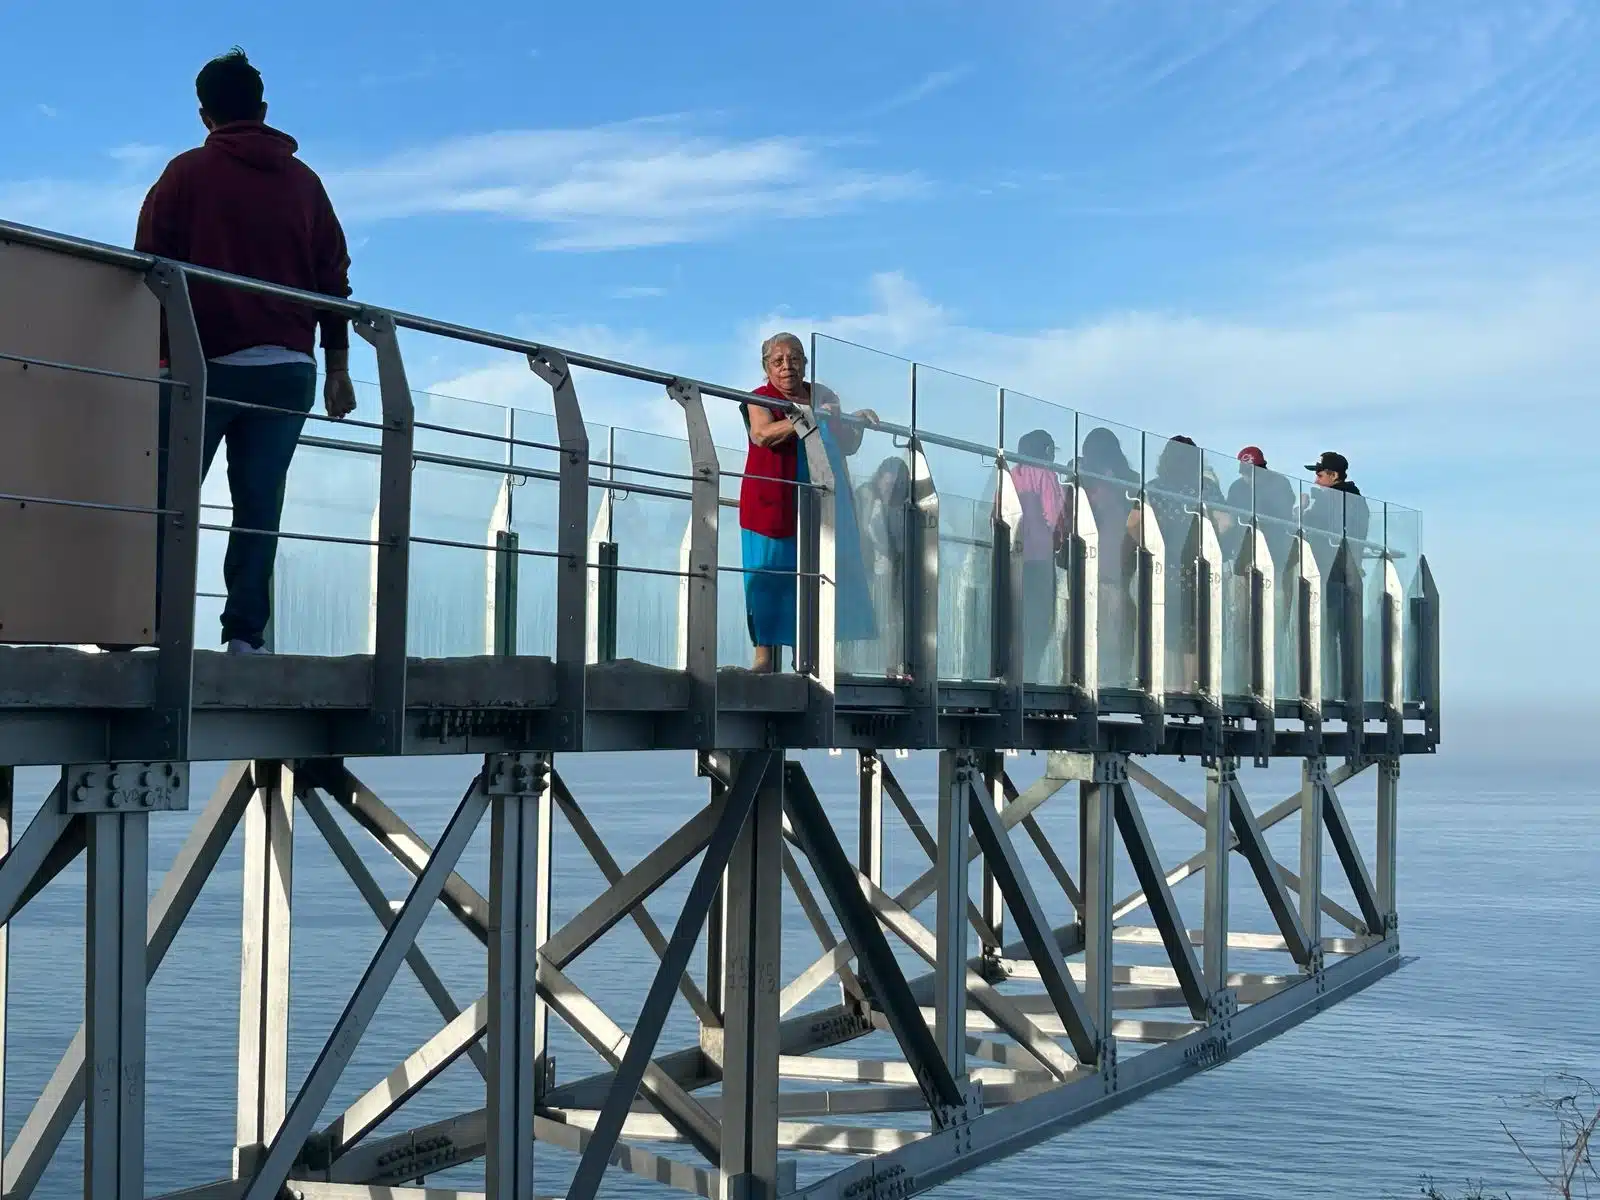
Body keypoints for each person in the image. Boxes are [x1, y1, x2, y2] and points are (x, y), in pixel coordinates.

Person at [135, 48, 355, 655]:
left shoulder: (183, 175)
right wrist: (338, 368)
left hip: (201, 367)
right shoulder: (305, 183)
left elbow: (148, 267)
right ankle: (246, 639)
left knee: (167, 502)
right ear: (263, 109)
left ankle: (147, 627)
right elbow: (331, 279)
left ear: (204, 115)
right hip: (289, 367)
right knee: (259, 507)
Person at [739, 332, 879, 673]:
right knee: (771, 573)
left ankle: (818, 657)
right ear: (766, 367)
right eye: (778, 361)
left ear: (805, 362)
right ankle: (764, 657)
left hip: (822, 497)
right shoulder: (758, 398)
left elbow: (845, 444)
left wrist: (857, 421)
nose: (787, 366)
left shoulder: (824, 395)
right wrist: (808, 416)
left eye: (795, 358)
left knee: (825, 571)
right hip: (774, 496)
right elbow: (762, 434)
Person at [1010, 429, 1068, 680]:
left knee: (1016, 621)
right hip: (1041, 558)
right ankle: (1030, 676)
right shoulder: (1045, 474)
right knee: (1041, 622)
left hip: (1013, 557)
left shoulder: (1011, 474)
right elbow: (1055, 516)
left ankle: (1014, 674)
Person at [853, 456, 911, 676]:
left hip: (889, 569)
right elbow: (865, 530)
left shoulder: (903, 507)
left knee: (891, 619)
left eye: (897, 486)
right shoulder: (866, 496)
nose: (892, 488)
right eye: (889, 483)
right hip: (868, 567)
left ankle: (891, 665)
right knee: (875, 617)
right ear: (880, 477)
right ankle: (865, 665)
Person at [1225, 445, 1297, 570]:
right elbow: (1230, 517)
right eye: (1245, 473)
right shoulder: (1236, 487)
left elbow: (1284, 515)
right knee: (1240, 587)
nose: (1248, 477)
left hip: (1273, 549)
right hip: (1242, 549)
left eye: (1253, 473)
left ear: (1263, 469)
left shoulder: (1279, 483)